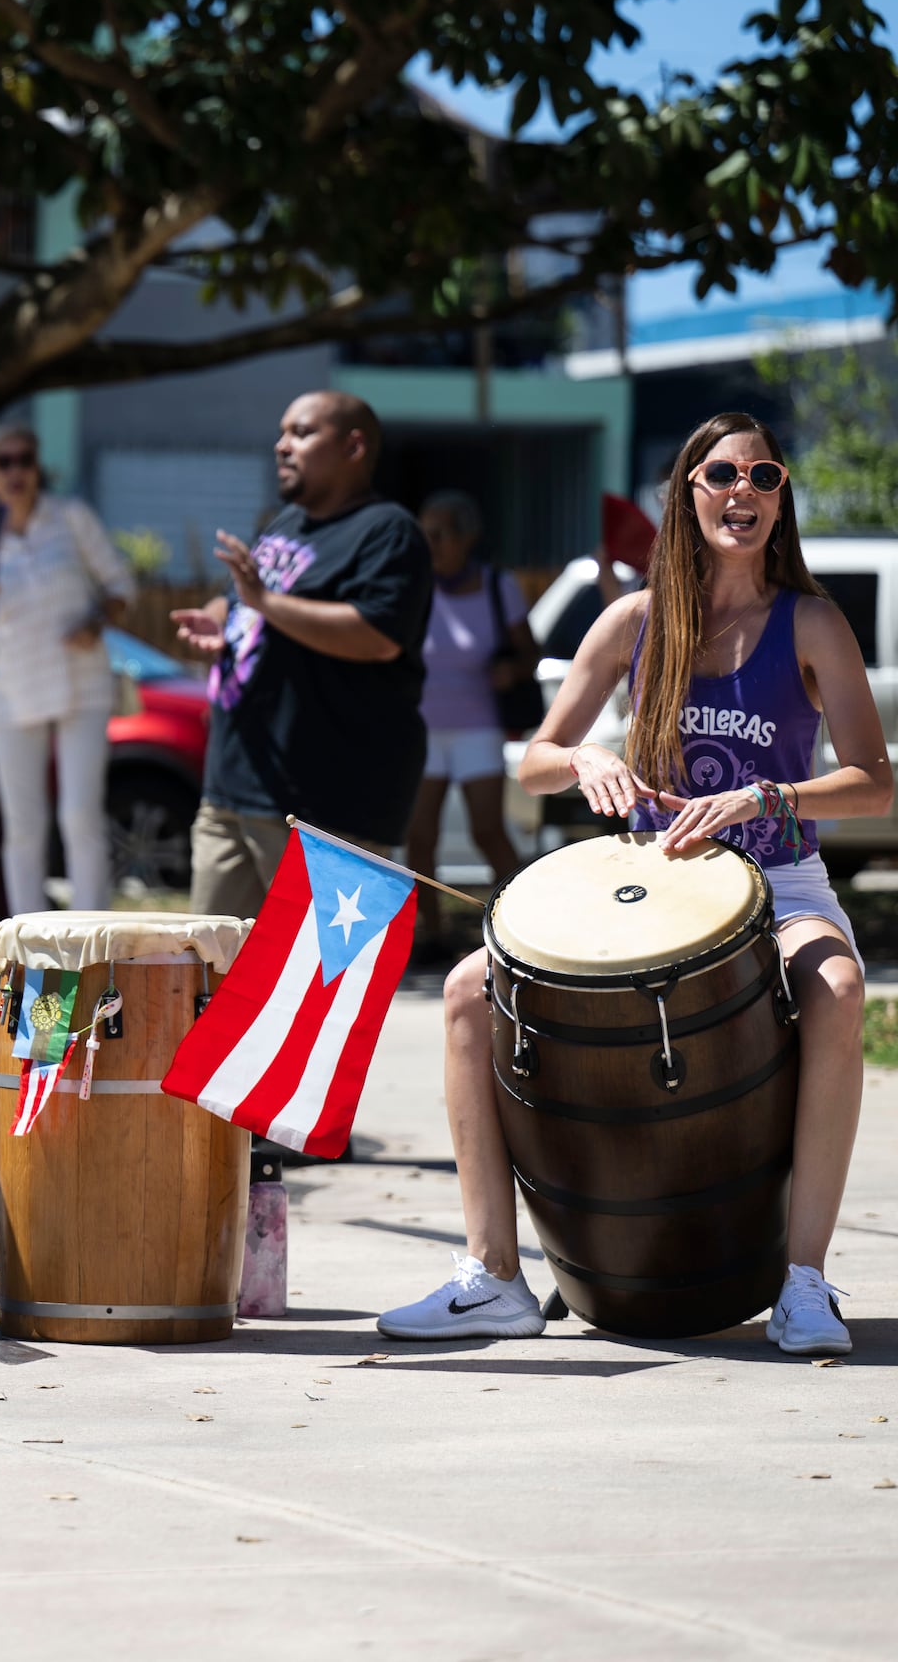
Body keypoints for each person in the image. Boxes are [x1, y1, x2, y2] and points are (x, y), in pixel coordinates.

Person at [379, 413, 887, 1357]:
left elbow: (875, 781)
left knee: (838, 987)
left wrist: (769, 795)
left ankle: (804, 1282)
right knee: (465, 989)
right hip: (651, 884)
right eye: (722, 474)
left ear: (781, 499)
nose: (743, 492)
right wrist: (586, 757)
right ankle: (494, 1275)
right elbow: (535, 757)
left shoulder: (812, 620)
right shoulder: (634, 619)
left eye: (764, 477)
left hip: (778, 879)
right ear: (687, 493)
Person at [172, 391, 434, 918]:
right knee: (213, 959)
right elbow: (239, 600)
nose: (282, 446)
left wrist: (264, 603)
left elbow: (377, 635)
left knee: (323, 969)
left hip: (326, 804)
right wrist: (219, 619)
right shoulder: (286, 522)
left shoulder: (388, 532)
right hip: (233, 791)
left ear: (353, 447)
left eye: (302, 432)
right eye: (281, 432)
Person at [0, 420, 134, 915]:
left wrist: (95, 622)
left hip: (81, 679)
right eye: (3, 462)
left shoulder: (71, 517)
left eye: (24, 460)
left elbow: (120, 587)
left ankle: (93, 934)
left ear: (38, 466)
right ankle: (27, 939)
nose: (15, 472)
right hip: (15, 687)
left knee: (80, 816)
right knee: (22, 825)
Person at [403, 490, 537, 901]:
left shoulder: (498, 586)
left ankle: (522, 914)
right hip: (422, 729)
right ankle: (428, 926)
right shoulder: (412, 586)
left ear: (466, 538)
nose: (430, 545)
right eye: (424, 535)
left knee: (487, 831)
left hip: (479, 726)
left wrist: (511, 670)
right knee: (419, 836)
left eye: (439, 535)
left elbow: (530, 653)